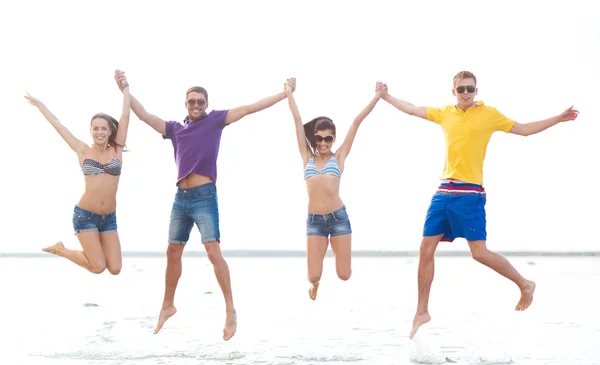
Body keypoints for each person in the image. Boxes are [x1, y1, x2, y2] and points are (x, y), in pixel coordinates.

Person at [380, 70, 579, 339]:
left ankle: (525, 283)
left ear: (476, 91)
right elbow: (413, 110)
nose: (465, 93)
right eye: (460, 89)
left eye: (469, 89)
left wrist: (558, 118)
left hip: (470, 194)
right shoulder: (445, 113)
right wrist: (386, 96)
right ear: (453, 91)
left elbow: (523, 130)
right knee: (425, 249)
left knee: (479, 253)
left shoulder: (489, 114)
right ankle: (422, 311)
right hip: (443, 191)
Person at [114, 71, 294, 341]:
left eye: (200, 101)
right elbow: (144, 115)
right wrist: (125, 89)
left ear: (206, 104)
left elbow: (249, 108)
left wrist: (284, 93)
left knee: (212, 251)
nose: (196, 106)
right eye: (191, 102)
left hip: (204, 196)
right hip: (180, 199)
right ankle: (168, 305)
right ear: (185, 104)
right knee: (172, 251)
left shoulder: (215, 121)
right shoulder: (176, 129)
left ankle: (230, 310)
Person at [285, 78, 387, 300]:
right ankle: (316, 285)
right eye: (319, 138)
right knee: (312, 276)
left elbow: (357, 121)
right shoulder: (306, 157)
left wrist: (378, 96)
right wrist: (289, 93)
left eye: (328, 139)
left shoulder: (338, 157)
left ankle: (337, 251)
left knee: (344, 275)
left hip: (338, 218)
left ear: (333, 139)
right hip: (314, 221)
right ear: (314, 138)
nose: (323, 143)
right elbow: (296, 119)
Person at [24, 70, 131, 275]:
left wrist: (125, 89)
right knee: (98, 267)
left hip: (109, 217)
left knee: (115, 268)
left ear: (110, 132)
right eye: (95, 128)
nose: (100, 132)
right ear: (91, 131)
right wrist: (40, 105)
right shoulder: (82, 150)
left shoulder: (116, 149)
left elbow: (125, 116)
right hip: (85, 216)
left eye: (103, 128)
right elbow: (58, 124)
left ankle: (80, 250)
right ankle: (61, 250)